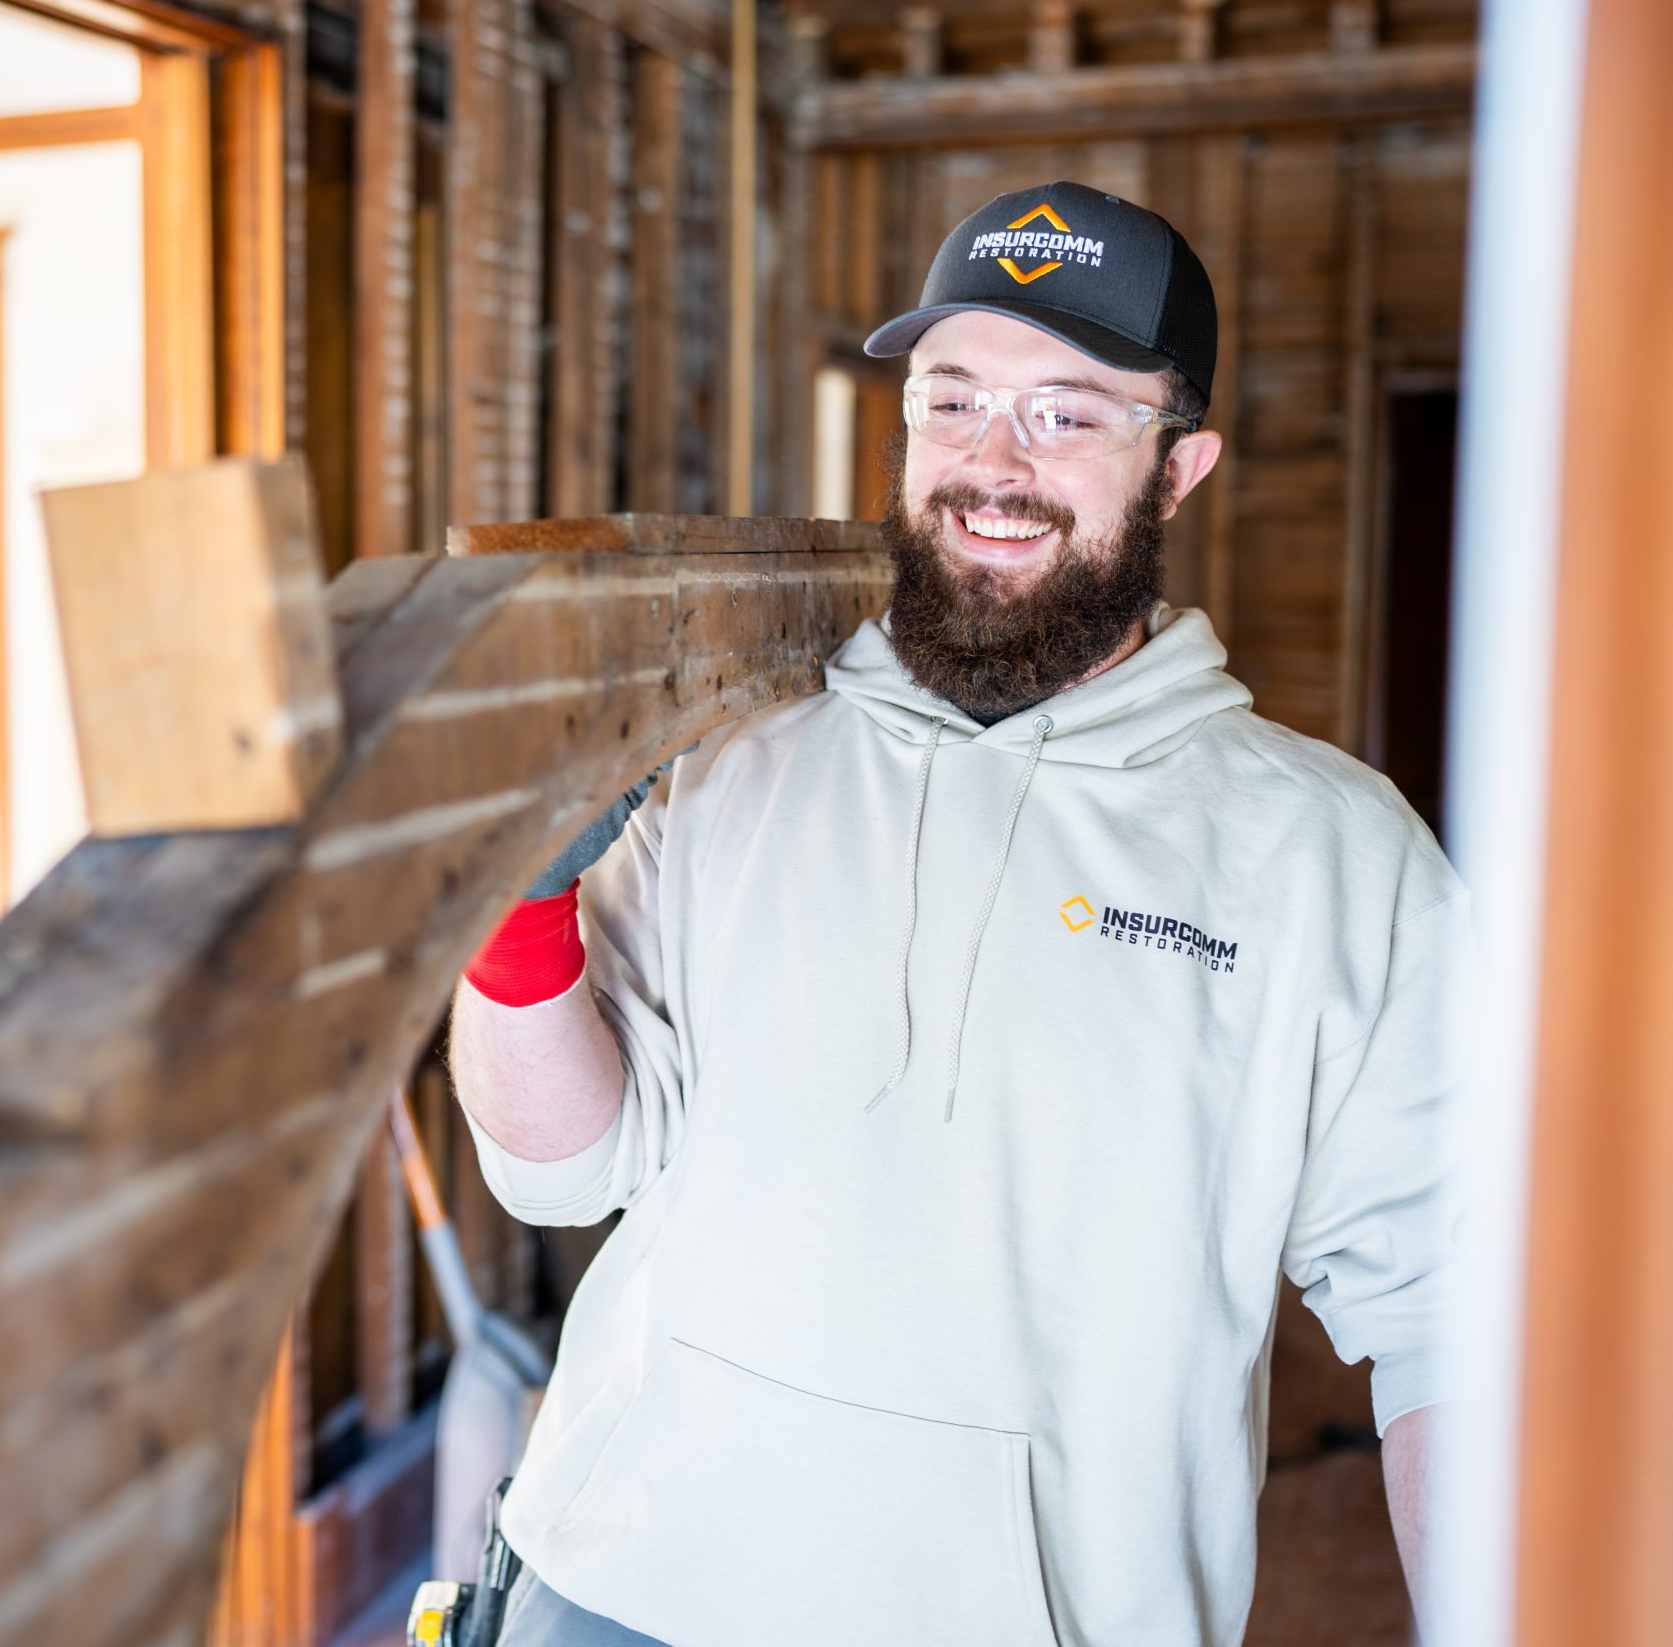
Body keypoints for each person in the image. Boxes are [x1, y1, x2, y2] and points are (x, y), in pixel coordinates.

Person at [451, 181, 1464, 1647]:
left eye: (1067, 412)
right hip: (609, 1593)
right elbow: (562, 1172)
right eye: (953, 399)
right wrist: (517, 906)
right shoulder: (729, 756)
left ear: (1180, 467)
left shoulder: (1331, 858)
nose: (994, 461)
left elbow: (1455, 1324)